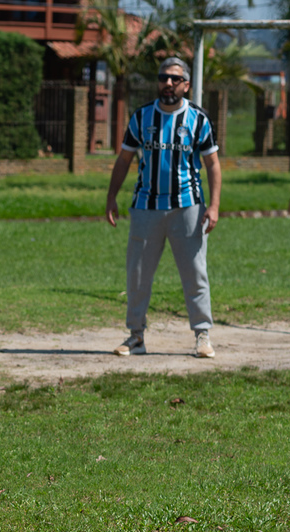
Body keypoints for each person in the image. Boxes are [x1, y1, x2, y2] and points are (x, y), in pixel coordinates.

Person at [106, 56, 221, 359]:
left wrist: (215, 206)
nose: (167, 84)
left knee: (195, 273)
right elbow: (124, 160)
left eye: (174, 79)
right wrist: (111, 197)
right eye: (163, 78)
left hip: (188, 207)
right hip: (146, 207)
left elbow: (212, 165)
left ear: (186, 85)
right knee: (138, 274)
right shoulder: (141, 117)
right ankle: (135, 336)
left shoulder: (198, 119)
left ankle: (203, 335)